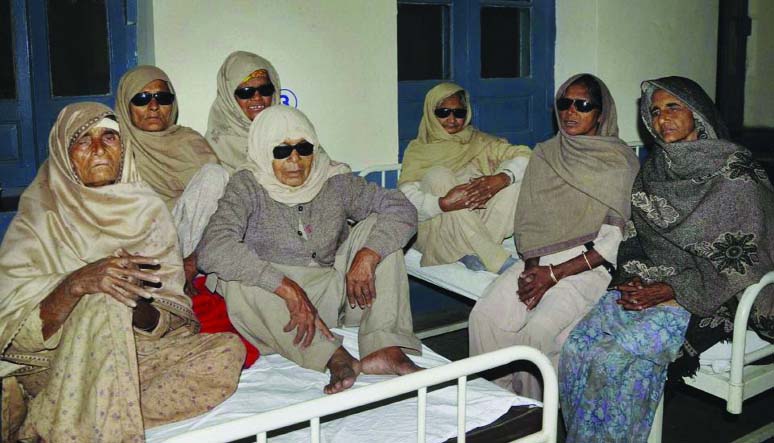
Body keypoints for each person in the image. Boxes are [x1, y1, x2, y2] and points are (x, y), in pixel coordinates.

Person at [0, 103, 244, 442]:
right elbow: (11, 333)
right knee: (102, 297)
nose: (99, 149)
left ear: (123, 149)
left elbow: (173, 324)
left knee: (228, 351)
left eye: (109, 137)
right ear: (65, 154)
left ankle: (51, 417)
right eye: (83, 140)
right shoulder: (39, 216)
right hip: (59, 364)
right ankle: (85, 414)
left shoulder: (149, 211)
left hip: (134, 354)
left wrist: (136, 301)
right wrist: (75, 286)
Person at [559, 76, 774, 443]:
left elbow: (747, 259)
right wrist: (634, 280)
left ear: (698, 113)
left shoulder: (735, 173)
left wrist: (671, 289)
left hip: (709, 297)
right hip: (650, 281)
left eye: (673, 107)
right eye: (654, 112)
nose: (662, 119)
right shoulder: (655, 171)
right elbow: (635, 239)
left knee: (615, 361)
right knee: (577, 347)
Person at [198, 106, 422, 395]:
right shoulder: (246, 185)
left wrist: (369, 254)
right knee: (232, 279)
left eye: (304, 148)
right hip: (280, 308)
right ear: (264, 151)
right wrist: (285, 286)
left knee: (382, 231)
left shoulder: (333, 180)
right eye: (281, 151)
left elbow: (401, 207)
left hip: (339, 297)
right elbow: (212, 246)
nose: (295, 160)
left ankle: (385, 346)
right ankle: (333, 356)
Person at [469, 74, 639, 399]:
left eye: (583, 105)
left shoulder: (618, 162)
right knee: (485, 317)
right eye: (564, 103)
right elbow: (529, 221)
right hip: (539, 259)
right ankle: (495, 407)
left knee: (537, 333)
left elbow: (613, 242)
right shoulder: (546, 153)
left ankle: (531, 420)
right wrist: (533, 268)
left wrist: (553, 275)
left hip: (588, 266)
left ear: (601, 114)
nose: (570, 112)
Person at [399, 82, 532, 273]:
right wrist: (443, 203)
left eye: (459, 113)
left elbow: (526, 155)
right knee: (439, 175)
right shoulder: (418, 151)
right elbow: (408, 204)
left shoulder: (479, 141)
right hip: (437, 230)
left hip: (478, 226)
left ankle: (470, 252)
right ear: (430, 113)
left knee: (515, 182)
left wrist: (502, 178)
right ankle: (492, 257)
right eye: (443, 112)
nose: (452, 119)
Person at [117, 65, 227, 295]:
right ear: (126, 105)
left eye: (162, 97)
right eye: (142, 98)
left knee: (214, 176)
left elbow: (222, 207)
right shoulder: (116, 149)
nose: (154, 106)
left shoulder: (189, 141)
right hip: (142, 247)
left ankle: (190, 269)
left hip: (191, 245)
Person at [206, 50, 282, 173]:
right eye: (246, 91)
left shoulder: (291, 133)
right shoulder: (211, 150)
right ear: (229, 96)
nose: (257, 97)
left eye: (265, 89)